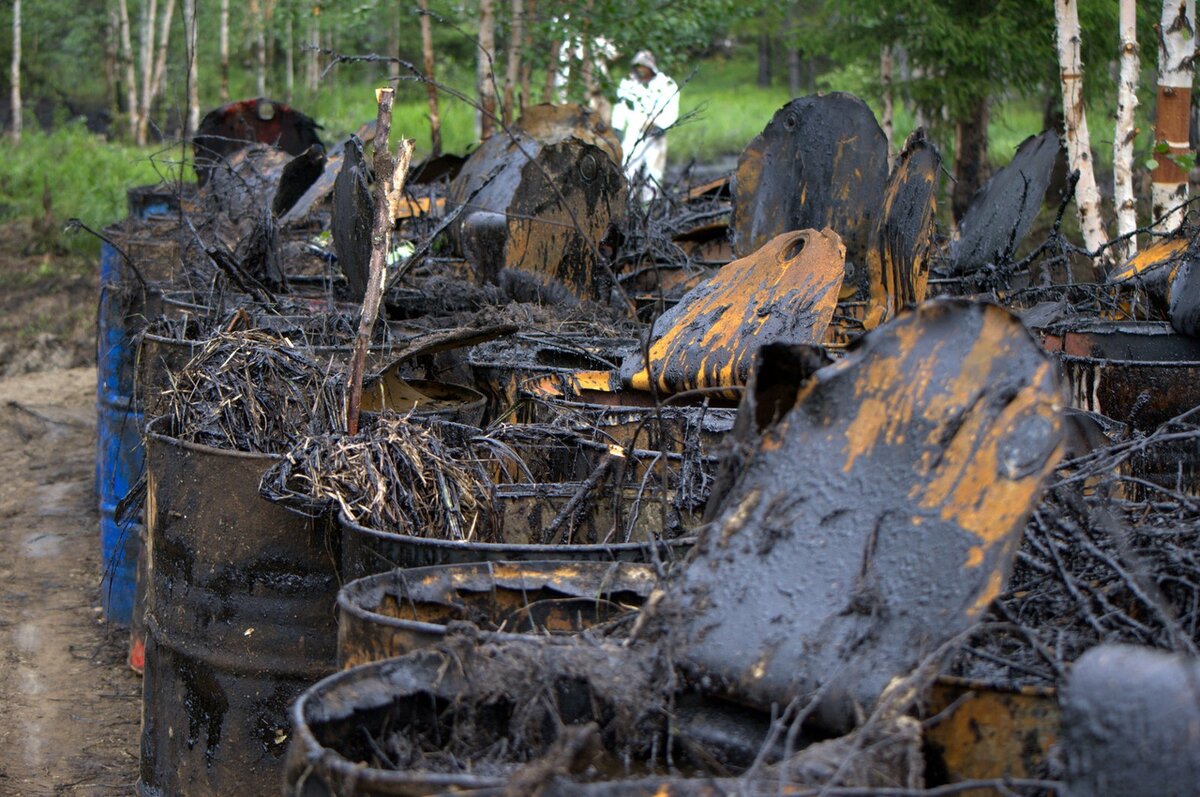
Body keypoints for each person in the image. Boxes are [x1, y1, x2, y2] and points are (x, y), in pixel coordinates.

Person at [611, 50, 679, 202]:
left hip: (656, 135)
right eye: (637, 66)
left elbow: (671, 110)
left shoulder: (666, 85)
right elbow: (620, 107)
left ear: (650, 67)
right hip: (633, 131)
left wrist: (662, 126)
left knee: (654, 173)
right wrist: (617, 127)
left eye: (643, 66)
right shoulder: (628, 84)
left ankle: (649, 205)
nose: (640, 70)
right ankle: (626, 204)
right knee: (627, 168)